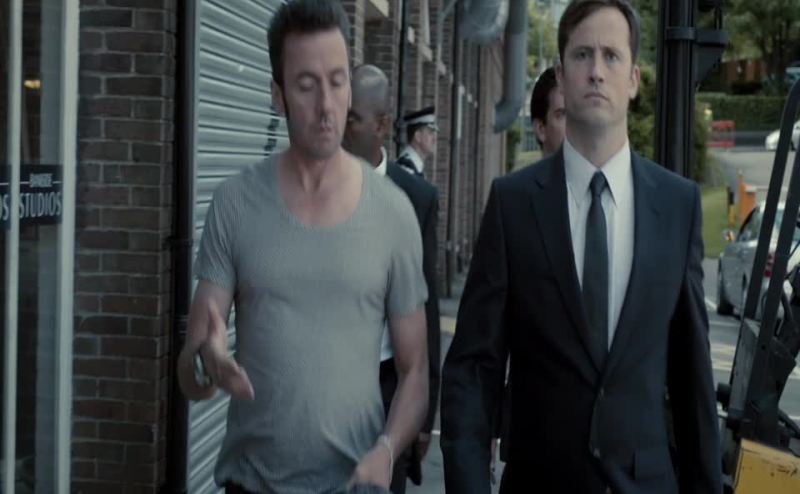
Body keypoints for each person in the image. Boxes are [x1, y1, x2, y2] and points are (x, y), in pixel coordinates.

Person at [440, 1, 722, 493]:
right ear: (561, 76)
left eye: (611, 56)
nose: (596, 71)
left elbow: (691, 377)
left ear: (633, 80)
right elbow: (473, 370)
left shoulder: (678, 206)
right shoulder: (513, 204)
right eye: (582, 55)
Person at [176, 1, 429, 492]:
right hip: (251, 485)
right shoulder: (235, 203)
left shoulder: (393, 212)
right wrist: (207, 361)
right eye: (306, 85)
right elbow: (192, 370)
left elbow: (415, 369)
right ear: (278, 96)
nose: (326, 105)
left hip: (353, 485)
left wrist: (387, 450)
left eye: (337, 81)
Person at [343, 64, 442, 494]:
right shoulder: (315, 185)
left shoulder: (416, 198)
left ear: (381, 125)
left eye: (351, 119)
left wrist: (424, 415)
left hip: (389, 390)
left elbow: (428, 305)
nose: (338, 129)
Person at [489, 65, 566, 489]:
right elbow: (483, 353)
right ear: (539, 128)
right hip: (532, 456)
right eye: (562, 115)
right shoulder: (512, 205)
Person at [396, 106, 438, 178]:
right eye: (430, 132)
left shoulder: (414, 166)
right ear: (418, 136)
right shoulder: (406, 167)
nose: (434, 138)